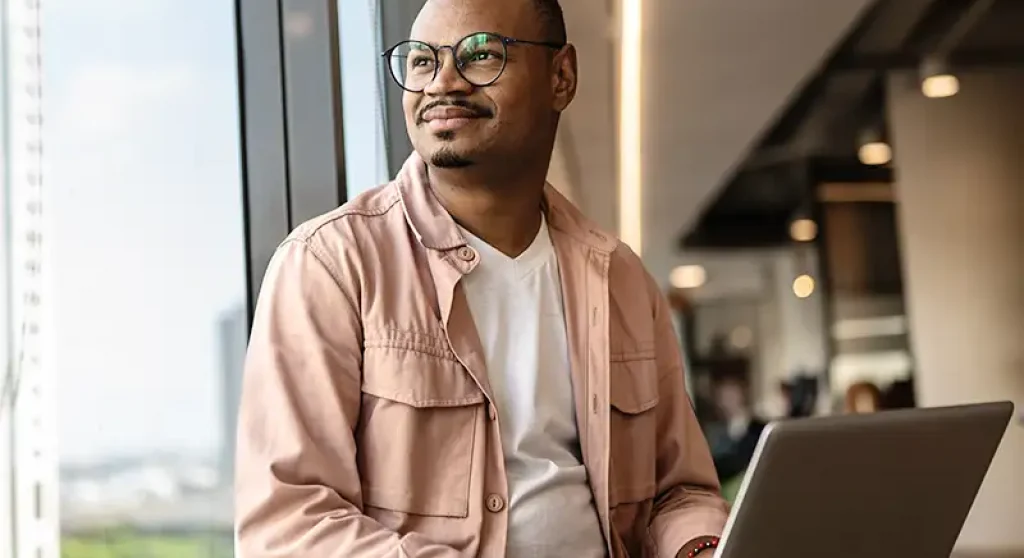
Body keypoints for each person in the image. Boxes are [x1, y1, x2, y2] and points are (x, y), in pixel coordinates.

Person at [234, 0, 729, 556]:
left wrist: (699, 547)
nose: (442, 82)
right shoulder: (330, 264)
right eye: (422, 61)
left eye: (481, 55)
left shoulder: (621, 278)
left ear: (561, 77)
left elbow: (679, 492)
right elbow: (289, 525)